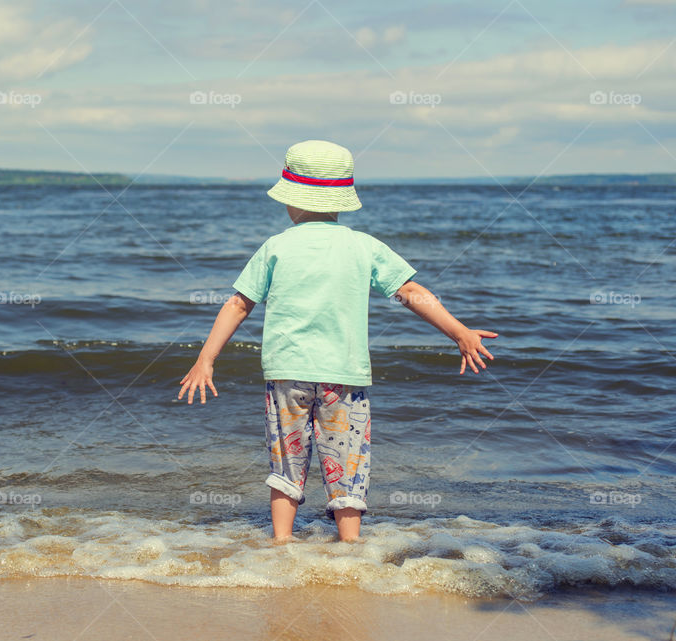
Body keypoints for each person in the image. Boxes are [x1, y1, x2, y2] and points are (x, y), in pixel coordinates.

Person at [177, 139, 497, 542]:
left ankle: (281, 543)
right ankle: (351, 545)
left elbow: (239, 305)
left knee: (287, 462)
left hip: (287, 373)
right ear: (342, 200)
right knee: (348, 464)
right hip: (344, 375)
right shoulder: (363, 245)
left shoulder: (276, 246)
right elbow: (410, 292)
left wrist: (206, 359)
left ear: (290, 198)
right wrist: (459, 332)